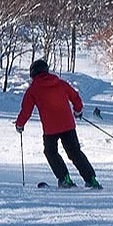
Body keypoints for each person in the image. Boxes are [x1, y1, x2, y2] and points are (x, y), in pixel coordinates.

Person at [14, 59, 101, 189]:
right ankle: (91, 179)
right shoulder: (60, 83)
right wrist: (77, 111)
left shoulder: (33, 90)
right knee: (75, 152)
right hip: (68, 125)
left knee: (50, 152)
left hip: (50, 128)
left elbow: (26, 111)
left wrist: (19, 124)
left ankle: (64, 178)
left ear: (33, 74)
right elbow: (75, 97)